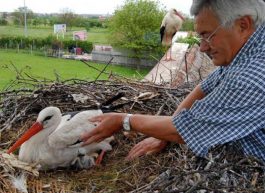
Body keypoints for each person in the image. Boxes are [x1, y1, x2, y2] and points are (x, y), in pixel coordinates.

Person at [81, 0, 265, 162]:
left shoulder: (253, 76)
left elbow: (185, 129)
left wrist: (123, 120)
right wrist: (164, 134)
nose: (201, 47)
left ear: (243, 25)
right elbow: (205, 86)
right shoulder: (248, 50)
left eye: (208, 35)